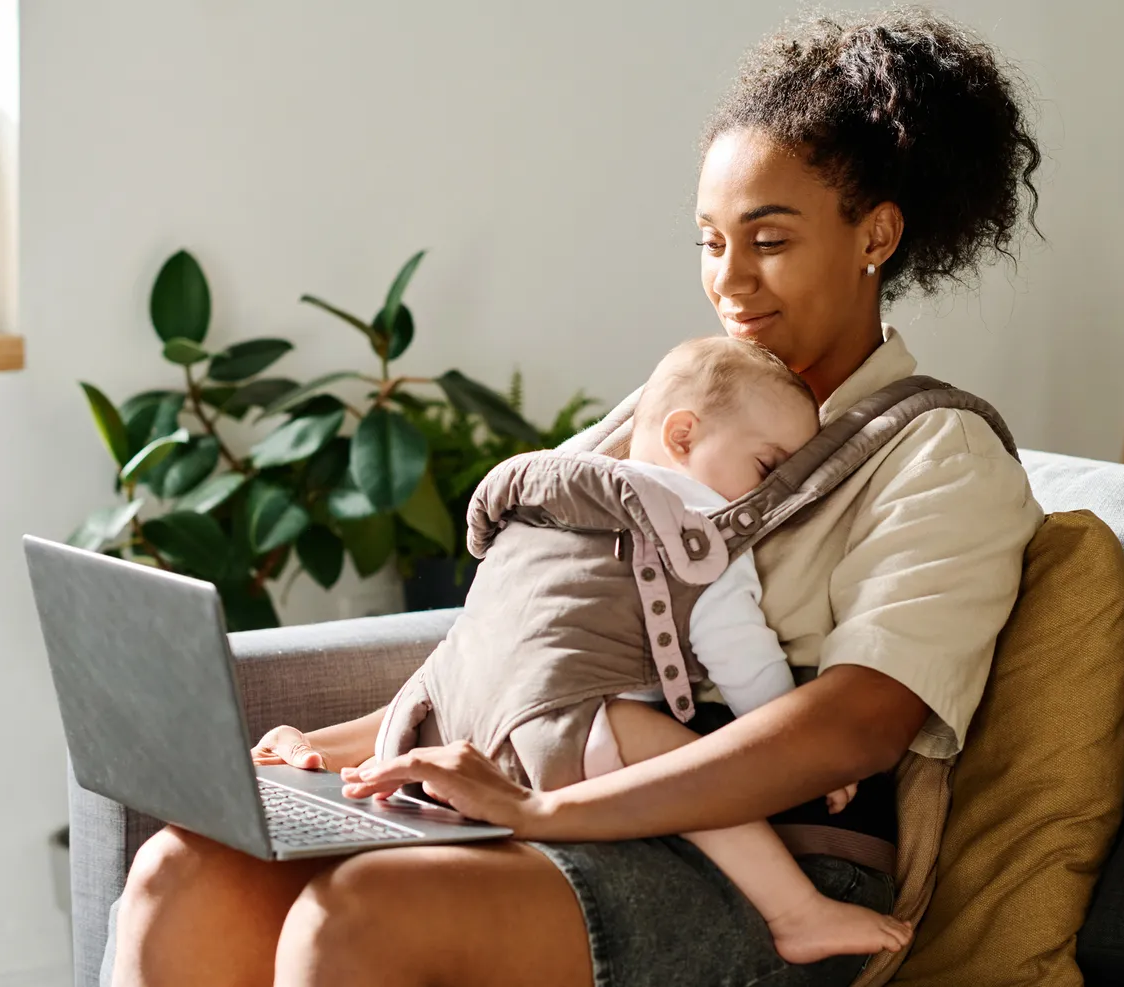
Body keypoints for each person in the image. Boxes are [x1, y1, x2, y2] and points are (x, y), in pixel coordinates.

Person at [110, 9, 1045, 987]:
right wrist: (338, 749)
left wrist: (554, 815)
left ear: (877, 235)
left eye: (768, 239)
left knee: (362, 919)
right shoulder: (665, 412)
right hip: (569, 784)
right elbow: (530, 644)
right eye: (709, 240)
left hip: (777, 860)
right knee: (184, 869)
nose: (730, 281)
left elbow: (852, 727)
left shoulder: (940, 455)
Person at [367, 334, 914, 964]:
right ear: (683, 437)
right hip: (563, 731)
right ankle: (797, 911)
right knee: (700, 775)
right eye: (766, 468)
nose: (768, 501)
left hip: (446, 729)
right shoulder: (693, 523)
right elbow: (740, 653)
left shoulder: (545, 500)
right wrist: (811, 759)